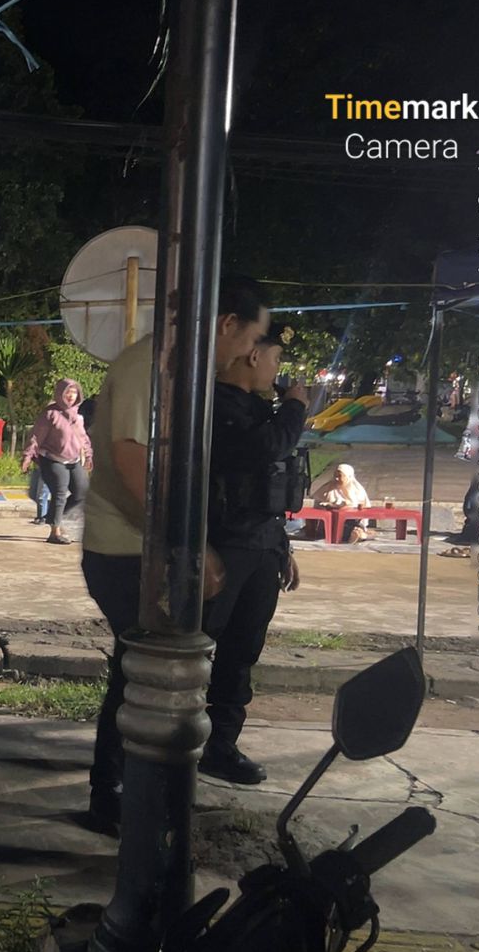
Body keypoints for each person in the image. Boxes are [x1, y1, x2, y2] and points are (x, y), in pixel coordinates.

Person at [80, 277, 273, 833]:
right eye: (250, 338)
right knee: (144, 674)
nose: (248, 352)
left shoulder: (179, 370)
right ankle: (113, 794)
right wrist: (184, 544)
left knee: (143, 672)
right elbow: (129, 457)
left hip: (143, 547)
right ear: (226, 324)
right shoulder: (148, 364)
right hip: (125, 549)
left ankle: (131, 790)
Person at [202, 323, 308, 785]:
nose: (277, 369)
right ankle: (172, 740)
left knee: (242, 651)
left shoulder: (260, 409)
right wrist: (296, 408)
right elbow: (265, 450)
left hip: (262, 545)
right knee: (196, 646)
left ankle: (221, 745)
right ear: (253, 357)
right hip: (223, 546)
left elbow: (272, 482)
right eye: (275, 359)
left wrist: (282, 546)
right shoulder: (217, 406)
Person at [21, 378, 93, 545]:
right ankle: (55, 531)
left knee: (81, 492)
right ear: (60, 393)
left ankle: (55, 517)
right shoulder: (50, 414)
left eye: (74, 392)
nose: (71, 395)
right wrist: (27, 456)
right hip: (52, 458)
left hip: (73, 460)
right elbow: (36, 437)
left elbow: (83, 439)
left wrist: (89, 456)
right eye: (68, 392)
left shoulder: (78, 416)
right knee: (60, 491)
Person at [314, 463, 374, 542]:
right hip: (331, 522)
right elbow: (317, 505)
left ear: (348, 476)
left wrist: (349, 506)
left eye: (340, 476)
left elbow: (364, 508)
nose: (336, 479)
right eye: (335, 476)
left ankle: (357, 534)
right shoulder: (327, 488)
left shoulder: (358, 490)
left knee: (355, 528)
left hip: (351, 521)